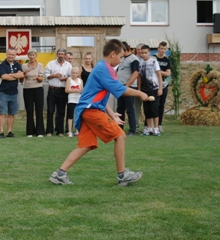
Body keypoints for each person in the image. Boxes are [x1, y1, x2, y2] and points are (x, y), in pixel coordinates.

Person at [49, 39, 148, 187]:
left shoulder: (102, 68)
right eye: (120, 57)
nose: (121, 60)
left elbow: (99, 95)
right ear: (113, 54)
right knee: (120, 136)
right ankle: (122, 175)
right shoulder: (104, 69)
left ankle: (59, 174)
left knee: (86, 144)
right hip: (91, 110)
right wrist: (140, 93)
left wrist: (111, 113)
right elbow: (120, 90)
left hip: (86, 110)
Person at [0, 47, 24, 138]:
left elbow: (22, 76)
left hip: (14, 93)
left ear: (15, 55)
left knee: (12, 114)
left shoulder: (18, 65)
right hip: (4, 92)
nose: (11, 56)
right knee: (2, 113)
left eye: (13, 54)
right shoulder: (1, 65)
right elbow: (4, 77)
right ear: (6, 54)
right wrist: (16, 75)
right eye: (9, 54)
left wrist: (11, 75)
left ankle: (9, 131)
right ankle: (1, 132)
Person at [44, 48, 72, 136]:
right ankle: (49, 131)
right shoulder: (51, 64)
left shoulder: (68, 65)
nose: (60, 56)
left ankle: (60, 131)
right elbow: (46, 75)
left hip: (62, 90)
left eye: (62, 54)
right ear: (57, 55)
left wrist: (66, 78)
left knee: (61, 111)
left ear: (65, 55)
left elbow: (71, 77)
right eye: (59, 54)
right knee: (50, 111)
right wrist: (55, 75)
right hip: (52, 89)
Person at [137, 44, 163, 136]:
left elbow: (159, 74)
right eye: (142, 53)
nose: (143, 54)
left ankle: (156, 128)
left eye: (145, 53)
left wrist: (160, 88)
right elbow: (139, 77)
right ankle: (149, 128)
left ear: (149, 52)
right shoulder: (140, 63)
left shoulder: (153, 61)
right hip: (144, 89)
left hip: (154, 88)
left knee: (154, 108)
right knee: (147, 109)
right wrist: (139, 91)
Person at [116, 43, 140, 137]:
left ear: (127, 48)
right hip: (120, 87)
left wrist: (127, 86)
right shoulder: (121, 59)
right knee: (120, 109)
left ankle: (132, 130)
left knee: (130, 108)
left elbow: (135, 74)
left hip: (128, 87)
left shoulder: (133, 59)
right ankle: (119, 129)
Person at [22, 49, 45, 138]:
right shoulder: (24, 66)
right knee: (29, 110)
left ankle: (40, 131)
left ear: (36, 56)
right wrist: (24, 74)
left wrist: (37, 78)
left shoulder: (40, 65)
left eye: (33, 55)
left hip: (38, 88)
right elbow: (21, 80)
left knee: (39, 110)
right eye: (30, 55)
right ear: (28, 56)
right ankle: (30, 131)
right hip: (27, 89)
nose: (32, 57)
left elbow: (41, 79)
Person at [155, 41, 172, 132]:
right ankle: (149, 124)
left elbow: (168, 73)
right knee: (153, 105)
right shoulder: (154, 58)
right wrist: (162, 72)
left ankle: (159, 124)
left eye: (164, 49)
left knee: (161, 105)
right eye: (161, 48)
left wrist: (158, 71)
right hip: (154, 85)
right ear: (158, 48)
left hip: (164, 85)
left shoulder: (167, 60)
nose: (163, 50)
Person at [65, 66, 83, 137]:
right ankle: (69, 131)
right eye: (73, 73)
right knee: (70, 115)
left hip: (78, 99)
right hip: (71, 99)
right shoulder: (69, 79)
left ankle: (77, 130)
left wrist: (79, 91)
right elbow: (66, 90)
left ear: (78, 74)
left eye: (76, 73)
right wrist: (74, 90)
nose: (74, 74)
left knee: (77, 115)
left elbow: (82, 90)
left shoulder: (80, 80)